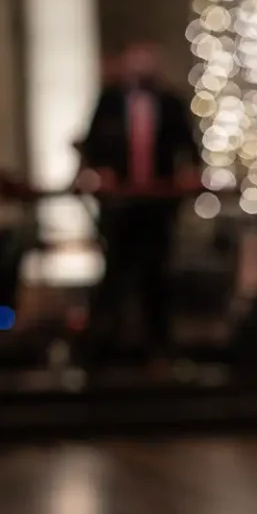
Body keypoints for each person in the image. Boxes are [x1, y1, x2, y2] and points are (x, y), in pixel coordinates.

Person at [78, 41, 199, 359]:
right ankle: (105, 344)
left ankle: (159, 345)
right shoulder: (109, 103)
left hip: (157, 206)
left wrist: (184, 177)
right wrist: (100, 173)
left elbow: (190, 149)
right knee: (115, 272)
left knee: (156, 273)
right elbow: (91, 145)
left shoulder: (171, 104)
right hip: (118, 206)